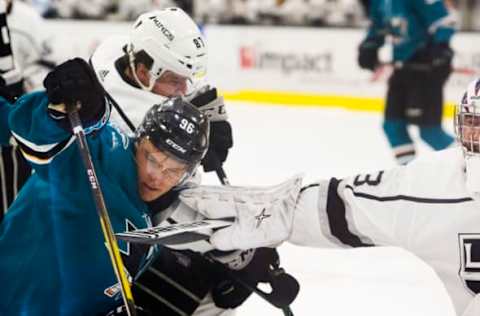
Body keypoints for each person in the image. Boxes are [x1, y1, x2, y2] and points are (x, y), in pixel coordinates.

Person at [0, 58, 280, 316]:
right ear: (140, 138)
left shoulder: (158, 213)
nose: (158, 177)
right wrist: (66, 113)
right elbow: (36, 135)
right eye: (153, 159)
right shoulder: (100, 154)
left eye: (173, 170)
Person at [179, 76, 480, 316]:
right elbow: (340, 207)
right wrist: (253, 219)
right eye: (474, 126)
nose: (476, 137)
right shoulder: (440, 184)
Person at [90, 7, 232, 176]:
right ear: (143, 73)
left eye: (187, 78)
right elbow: (171, 182)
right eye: (175, 81)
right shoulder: (135, 121)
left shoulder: (114, 48)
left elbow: (188, 79)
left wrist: (205, 103)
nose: (185, 89)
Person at [358, 0, 456, 164]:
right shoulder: (379, 2)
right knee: (393, 127)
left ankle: (474, 167)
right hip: (402, 70)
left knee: (430, 132)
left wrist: (441, 46)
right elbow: (378, 28)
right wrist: (370, 46)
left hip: (426, 71)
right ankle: (408, 174)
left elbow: (445, 21)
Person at [0, 0, 59, 219]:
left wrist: (29, 93)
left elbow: (49, 65)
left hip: (15, 122)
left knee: (13, 205)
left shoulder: (29, 20)